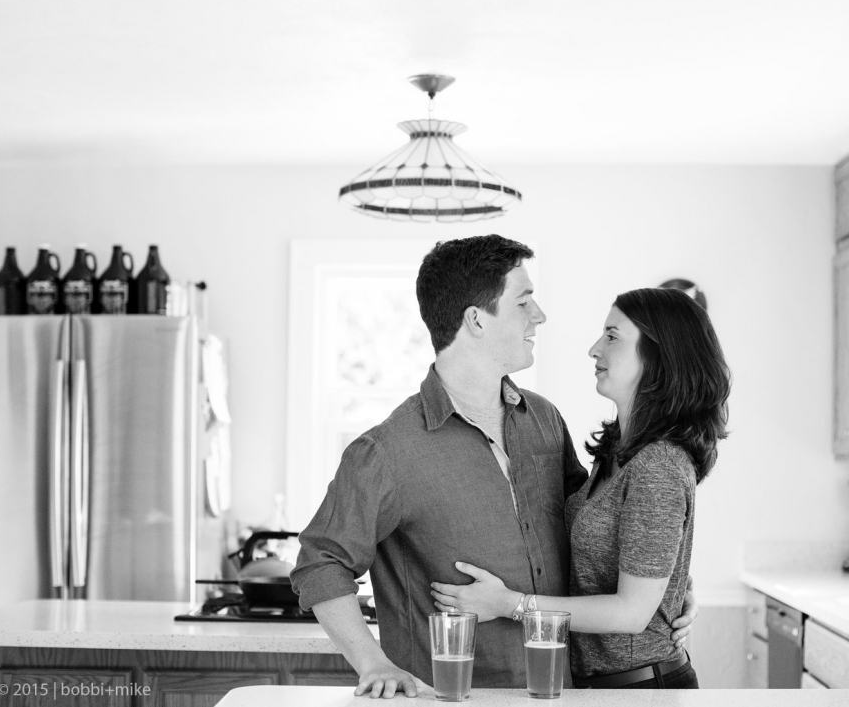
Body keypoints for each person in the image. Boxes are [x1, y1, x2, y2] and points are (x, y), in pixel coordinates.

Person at [290, 236, 697, 699]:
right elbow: (320, 563)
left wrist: (665, 588)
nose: (539, 315)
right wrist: (374, 663)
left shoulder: (543, 419)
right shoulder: (386, 451)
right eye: (523, 302)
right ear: (477, 320)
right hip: (453, 697)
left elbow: (594, 524)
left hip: (563, 693)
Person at [431, 287, 731, 689]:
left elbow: (631, 614)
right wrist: (674, 588)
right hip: (602, 685)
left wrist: (507, 604)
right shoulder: (619, 452)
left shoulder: (658, 465)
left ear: (659, 357)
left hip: (641, 689)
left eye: (612, 336)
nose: (594, 349)